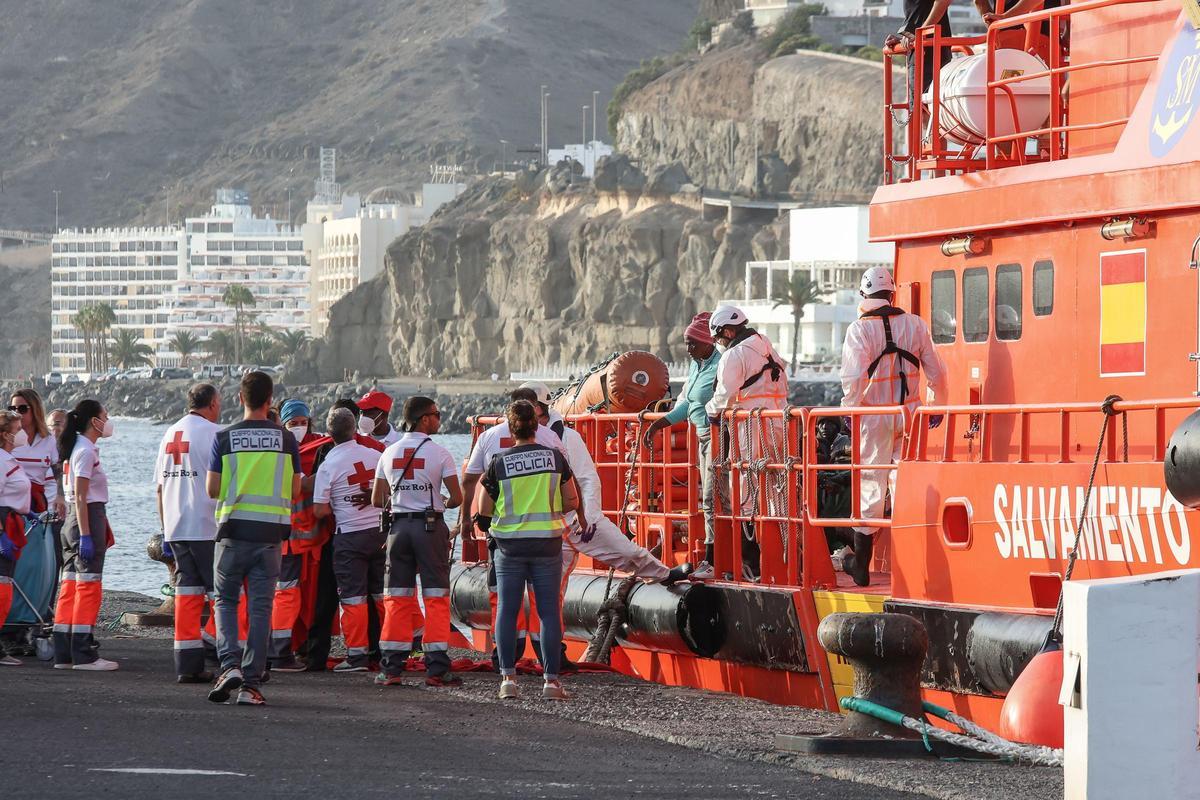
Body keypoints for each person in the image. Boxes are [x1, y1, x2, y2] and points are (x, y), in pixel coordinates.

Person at [840, 267, 948, 586]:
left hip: (873, 417)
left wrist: (849, 411)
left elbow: (852, 378)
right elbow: (938, 372)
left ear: (864, 296)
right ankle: (913, 561)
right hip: (911, 415)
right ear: (892, 294)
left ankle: (861, 563)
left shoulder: (859, 331)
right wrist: (937, 405)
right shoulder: (916, 325)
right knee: (906, 483)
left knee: (871, 484)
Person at [205, 371, 301, 706]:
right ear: (270, 399)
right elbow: (295, 489)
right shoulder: (286, 439)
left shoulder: (224, 437)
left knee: (226, 602)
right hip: (271, 536)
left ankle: (228, 665)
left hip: (232, 532)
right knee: (261, 609)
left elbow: (212, 489)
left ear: (239, 398)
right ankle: (251, 685)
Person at [476, 400, 579, 701]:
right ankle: (552, 683)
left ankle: (508, 680)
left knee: (507, 610)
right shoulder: (555, 459)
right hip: (547, 544)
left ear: (511, 428)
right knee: (547, 612)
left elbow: (483, 510)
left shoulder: (499, 462)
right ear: (537, 426)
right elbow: (572, 501)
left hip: (508, 547)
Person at [372, 395, 463, 687]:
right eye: (436, 414)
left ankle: (391, 669)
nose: (439, 419)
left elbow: (377, 499)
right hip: (429, 528)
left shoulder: (388, 453)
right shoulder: (440, 454)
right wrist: (442, 502)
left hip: (398, 530)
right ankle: (436, 668)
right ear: (424, 418)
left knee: (397, 599)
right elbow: (457, 498)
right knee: (435, 598)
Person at [704, 304, 790, 582]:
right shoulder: (765, 345)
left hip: (750, 429)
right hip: (779, 424)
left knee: (745, 494)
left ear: (728, 331)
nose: (718, 344)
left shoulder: (734, 355)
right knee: (778, 492)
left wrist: (709, 411)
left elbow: (723, 397)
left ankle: (751, 561)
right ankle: (784, 556)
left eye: (718, 338)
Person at [300, 398, 387, 670]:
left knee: (352, 597)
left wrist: (342, 503)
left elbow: (320, 511)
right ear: (354, 428)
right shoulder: (377, 456)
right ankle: (391, 650)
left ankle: (357, 655)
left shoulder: (329, 463)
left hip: (349, 536)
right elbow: (389, 494)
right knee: (381, 596)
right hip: (380, 534)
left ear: (329, 433)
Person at [641, 313, 726, 576]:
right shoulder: (697, 366)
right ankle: (719, 558)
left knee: (713, 499)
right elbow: (689, 404)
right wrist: (659, 424)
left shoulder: (720, 366)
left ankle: (715, 561)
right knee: (710, 501)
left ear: (707, 342)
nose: (687, 349)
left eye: (692, 343)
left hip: (718, 439)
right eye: (686, 343)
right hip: (701, 438)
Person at [155, 383, 222, 683]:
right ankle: (231, 658)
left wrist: (166, 529)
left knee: (187, 596)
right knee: (222, 596)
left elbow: (159, 488)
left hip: (177, 527)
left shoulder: (170, 433)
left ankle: (187, 664)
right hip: (206, 526)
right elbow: (223, 482)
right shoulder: (213, 433)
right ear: (212, 403)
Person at [53, 399, 118, 671]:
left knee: (69, 586)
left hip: (71, 521)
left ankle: (64, 651)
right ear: (95, 421)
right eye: (104, 415)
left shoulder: (75, 448)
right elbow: (81, 496)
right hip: (84, 518)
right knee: (88, 586)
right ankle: (84, 654)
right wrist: (88, 535)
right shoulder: (85, 451)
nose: (107, 420)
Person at [268, 397, 322, 672]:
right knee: (286, 595)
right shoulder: (282, 451)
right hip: (288, 538)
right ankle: (279, 651)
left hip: (310, 541)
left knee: (303, 598)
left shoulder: (321, 447)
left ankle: (295, 647)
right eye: (293, 423)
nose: (299, 428)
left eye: (303, 423)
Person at [0, 411, 32, 666]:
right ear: (5, 434)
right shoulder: (1, 461)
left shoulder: (8, 459)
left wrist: (26, 508)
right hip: (4, 524)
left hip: (12, 520)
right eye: (17, 428)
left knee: (6, 585)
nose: (22, 432)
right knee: (2, 588)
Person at [9, 389, 64, 520]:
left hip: (37, 502)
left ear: (35, 409)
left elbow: (59, 470)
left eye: (22, 409)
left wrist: (60, 496)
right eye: (12, 409)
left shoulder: (49, 440)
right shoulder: (6, 439)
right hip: (10, 503)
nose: (17, 413)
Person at [885, 0, 952, 97]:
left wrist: (920, 33)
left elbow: (943, 1)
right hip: (923, 50)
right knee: (922, 105)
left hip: (930, 53)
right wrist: (903, 40)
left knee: (923, 107)